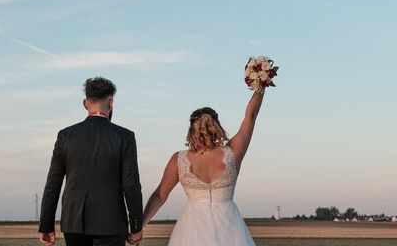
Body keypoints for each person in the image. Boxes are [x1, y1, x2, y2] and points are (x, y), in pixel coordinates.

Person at [141, 90, 266, 245]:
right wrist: (260, 85)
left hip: (192, 227)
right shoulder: (233, 152)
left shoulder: (178, 159)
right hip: (229, 227)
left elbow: (160, 196)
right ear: (217, 127)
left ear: (191, 130)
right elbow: (251, 116)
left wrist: (139, 227)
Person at [38, 77, 144, 246]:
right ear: (110, 103)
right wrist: (137, 226)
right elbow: (131, 185)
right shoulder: (125, 137)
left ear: (85, 103)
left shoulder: (65, 136)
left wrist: (46, 225)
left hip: (74, 223)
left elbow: (53, 183)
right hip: (112, 223)